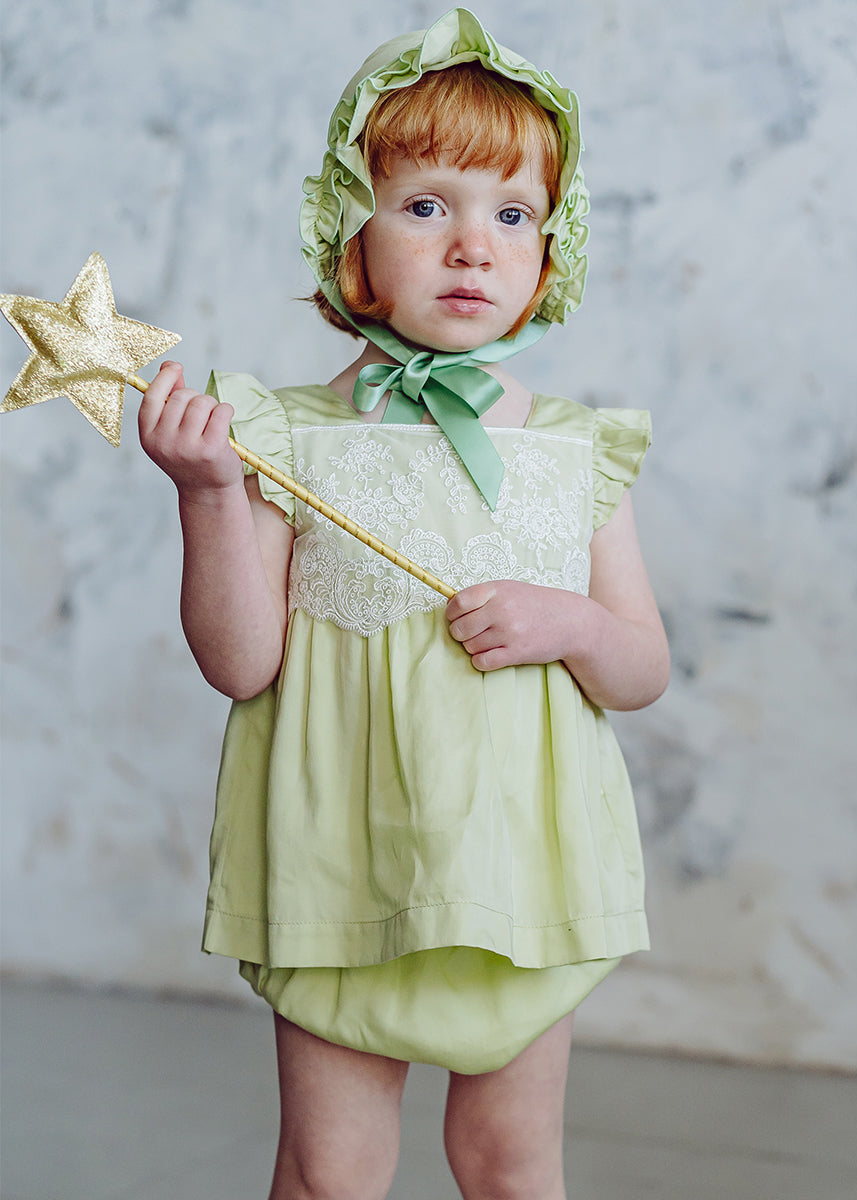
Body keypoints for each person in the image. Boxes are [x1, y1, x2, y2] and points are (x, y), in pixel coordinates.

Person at [138, 10, 669, 1199]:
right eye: (428, 205)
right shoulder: (285, 437)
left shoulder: (576, 451)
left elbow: (642, 667)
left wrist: (576, 626)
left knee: (510, 1163)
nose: (474, 245)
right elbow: (240, 663)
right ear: (352, 233)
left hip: (523, 868)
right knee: (330, 1171)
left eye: (513, 214)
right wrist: (209, 495)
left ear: (553, 245)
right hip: (339, 858)